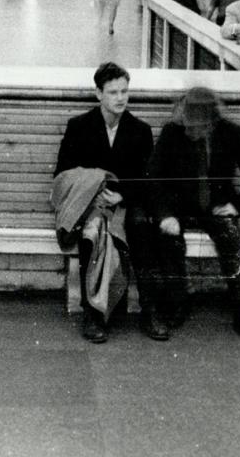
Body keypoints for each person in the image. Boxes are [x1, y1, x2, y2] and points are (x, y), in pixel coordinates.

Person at [146, 86, 240, 340]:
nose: (192, 131)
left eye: (198, 126)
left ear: (212, 123)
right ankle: (178, 303)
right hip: (179, 203)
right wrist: (166, 215)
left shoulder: (233, 134)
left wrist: (238, 206)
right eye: (188, 125)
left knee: (234, 240)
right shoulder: (172, 132)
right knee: (167, 240)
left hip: (217, 204)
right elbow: (154, 178)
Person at [52, 62, 160, 342]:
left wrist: (124, 194)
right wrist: (92, 190)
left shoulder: (140, 130)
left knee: (140, 226)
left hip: (128, 202)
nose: (121, 98)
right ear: (98, 94)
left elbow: (150, 181)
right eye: (113, 92)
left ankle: (150, 311)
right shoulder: (79, 127)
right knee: (92, 231)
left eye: (125, 91)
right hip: (94, 205)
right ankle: (94, 315)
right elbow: (62, 174)